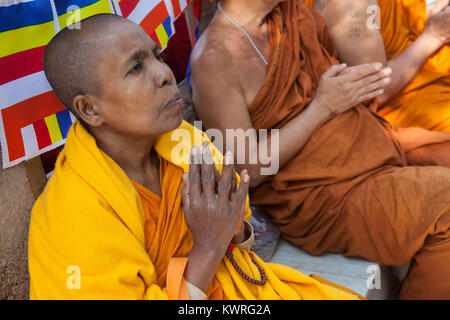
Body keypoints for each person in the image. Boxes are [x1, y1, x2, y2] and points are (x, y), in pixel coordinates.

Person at [28, 13, 364, 300]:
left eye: (156, 56)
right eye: (135, 69)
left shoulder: (183, 144)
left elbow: (238, 248)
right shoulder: (73, 213)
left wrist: (230, 231)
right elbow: (214, 246)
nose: (164, 73)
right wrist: (208, 246)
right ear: (90, 108)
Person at [190, 0, 450, 299]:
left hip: (371, 141)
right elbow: (248, 168)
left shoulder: (290, 14)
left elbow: (354, 81)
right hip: (324, 191)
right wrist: (322, 107)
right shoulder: (214, 59)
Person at [304, 0, 450, 132]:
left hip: (431, 69)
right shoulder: (349, 3)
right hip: (405, 106)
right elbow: (376, 89)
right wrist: (434, 35)